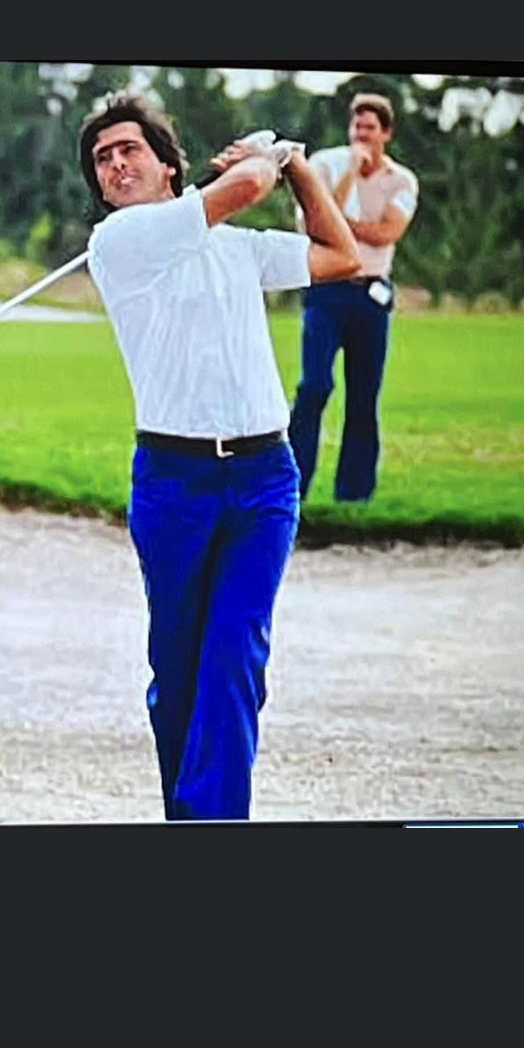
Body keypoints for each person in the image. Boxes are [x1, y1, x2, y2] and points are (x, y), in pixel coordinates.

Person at [79, 92, 360, 823]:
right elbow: (239, 188)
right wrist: (265, 161)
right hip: (175, 482)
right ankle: (191, 818)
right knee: (177, 674)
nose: (114, 166)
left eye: (128, 150)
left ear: (168, 165)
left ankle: (215, 826)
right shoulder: (118, 243)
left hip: (265, 481)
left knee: (235, 661)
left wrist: (298, 168)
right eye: (102, 160)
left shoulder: (236, 249)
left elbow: (341, 254)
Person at [289, 92, 419, 504]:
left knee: (364, 394)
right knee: (314, 386)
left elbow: (387, 233)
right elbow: (316, 225)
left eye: (370, 128)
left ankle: (354, 494)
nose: (361, 134)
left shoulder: (401, 180)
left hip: (371, 293)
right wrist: (350, 175)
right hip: (327, 289)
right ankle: (293, 486)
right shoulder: (326, 165)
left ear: (386, 133)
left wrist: (340, 225)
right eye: (356, 126)